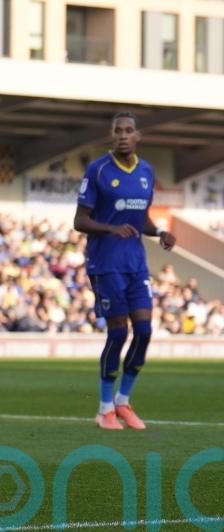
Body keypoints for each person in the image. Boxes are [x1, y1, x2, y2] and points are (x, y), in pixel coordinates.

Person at [74, 111, 176, 431]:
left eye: (128, 130)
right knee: (118, 332)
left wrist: (158, 232)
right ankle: (104, 409)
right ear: (111, 135)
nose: (122, 135)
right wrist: (109, 229)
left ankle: (123, 401)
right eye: (117, 130)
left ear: (137, 136)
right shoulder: (99, 170)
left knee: (144, 332)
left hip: (135, 263)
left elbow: (141, 218)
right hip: (105, 263)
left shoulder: (146, 171)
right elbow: (80, 220)